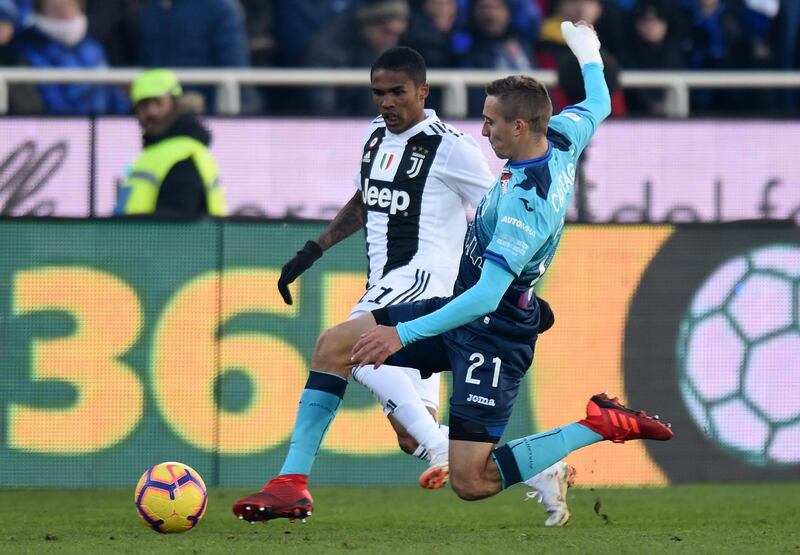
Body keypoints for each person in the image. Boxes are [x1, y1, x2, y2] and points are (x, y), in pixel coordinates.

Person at [232, 23, 674, 523]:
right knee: (337, 345)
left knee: (472, 480)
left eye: (491, 123)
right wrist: (587, 48)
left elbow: (487, 298)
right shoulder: (564, 136)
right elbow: (600, 102)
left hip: (494, 331)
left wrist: (401, 333)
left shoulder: (521, 208)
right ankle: (291, 483)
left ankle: (598, 425)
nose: (482, 131)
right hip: (464, 308)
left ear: (521, 127)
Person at [271, 46, 574, 527]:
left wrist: (513, 287)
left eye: (397, 92)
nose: (386, 102)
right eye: (378, 92)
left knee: (348, 347)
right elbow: (366, 197)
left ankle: (290, 483)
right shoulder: (374, 136)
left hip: (425, 283)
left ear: (422, 92)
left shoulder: (451, 146)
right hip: (386, 281)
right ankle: (539, 469)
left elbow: (500, 207)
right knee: (411, 436)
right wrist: (316, 247)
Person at [114, 69, 227, 216]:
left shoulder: (182, 156)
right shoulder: (159, 153)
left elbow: (175, 229)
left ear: (175, 103)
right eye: (143, 106)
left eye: (158, 103)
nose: (151, 112)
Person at [10, 0, 129, 115]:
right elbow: (51, 101)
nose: (64, 13)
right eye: (55, 8)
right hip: (59, 128)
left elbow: (114, 93)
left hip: (106, 127)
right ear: (41, 11)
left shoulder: (94, 47)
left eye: (69, 5)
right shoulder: (29, 50)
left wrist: (122, 116)